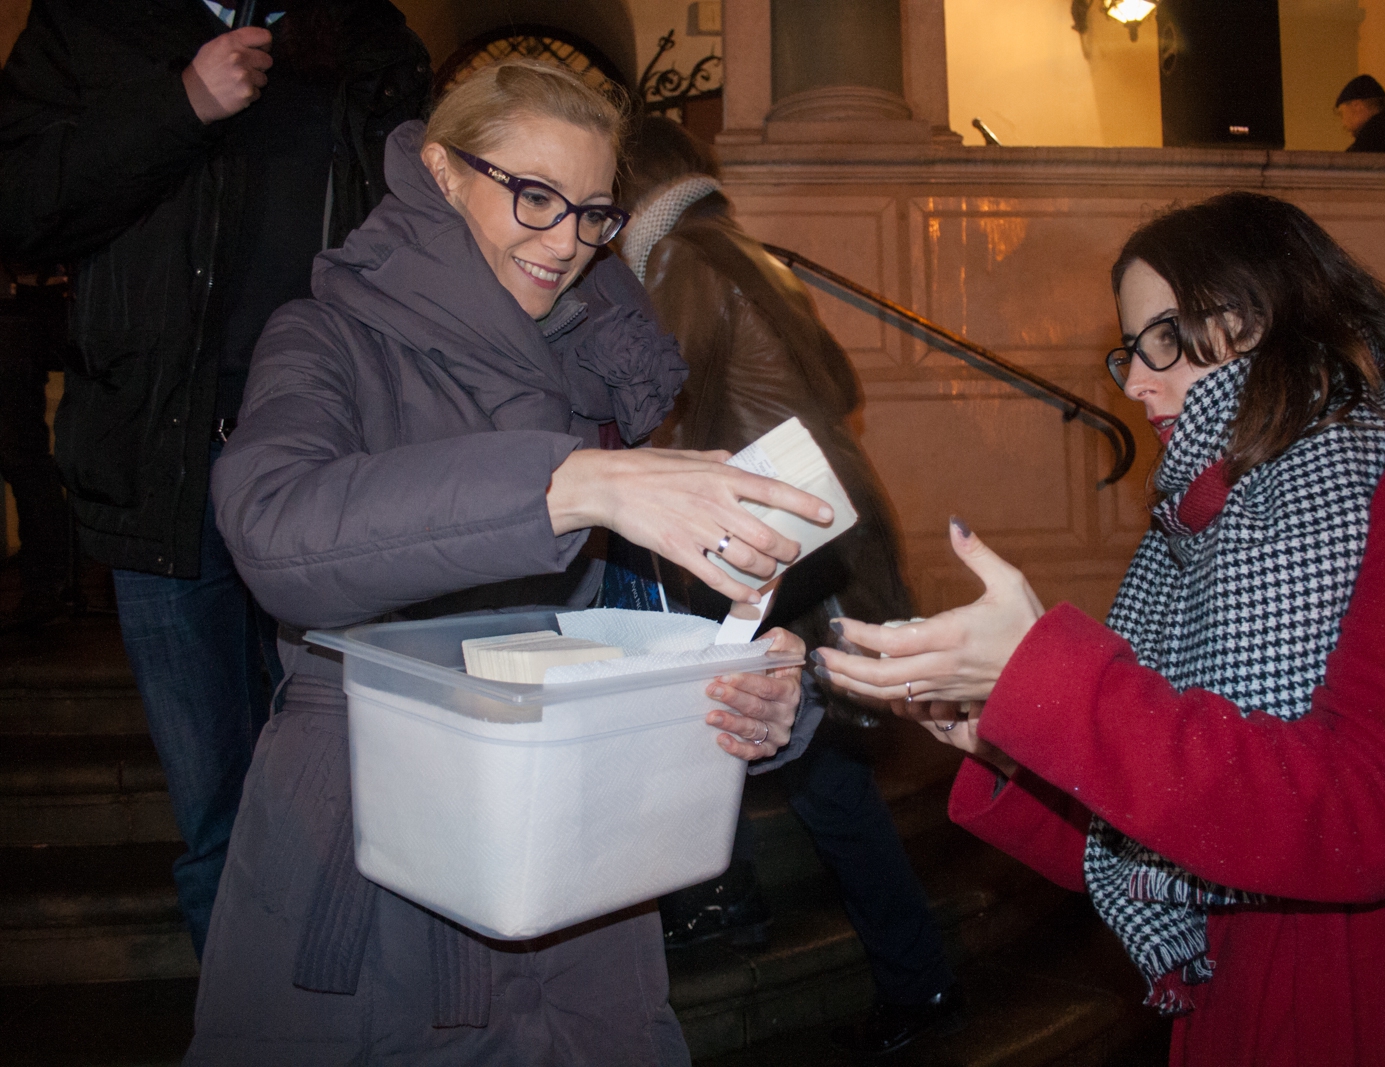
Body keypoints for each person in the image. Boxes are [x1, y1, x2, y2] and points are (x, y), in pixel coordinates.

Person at [814, 192, 1385, 1065]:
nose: (1138, 383)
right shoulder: (1194, 534)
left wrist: (1059, 683)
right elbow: (1160, 825)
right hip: (1239, 1006)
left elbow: (1378, 809)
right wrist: (997, 738)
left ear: (1266, 315)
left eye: (1164, 341)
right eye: (1129, 353)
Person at [192, 58, 835, 1064]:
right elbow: (276, 528)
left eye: (590, 213)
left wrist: (756, 689)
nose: (564, 243)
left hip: (582, 873)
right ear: (442, 173)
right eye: (532, 195)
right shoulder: (325, 335)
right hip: (374, 861)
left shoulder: (605, 363)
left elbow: (651, 623)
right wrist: (567, 486)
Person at [0, 0, 432, 954]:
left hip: (332, 468)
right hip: (164, 463)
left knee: (352, 796)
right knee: (217, 815)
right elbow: (18, 201)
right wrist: (180, 104)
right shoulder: (89, 24)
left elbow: (428, 232)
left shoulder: (365, 33)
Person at [617, 115, 961, 1059]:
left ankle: (908, 971)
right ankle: (766, 911)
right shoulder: (753, 254)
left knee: (817, 771)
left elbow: (655, 407)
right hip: (828, 526)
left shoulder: (681, 257)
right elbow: (840, 380)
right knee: (806, 759)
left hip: (786, 553)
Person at [0, 262, 73, 630]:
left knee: (22, 457)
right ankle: (48, 584)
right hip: (19, 310)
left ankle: (47, 585)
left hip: (17, 312)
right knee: (23, 458)